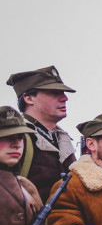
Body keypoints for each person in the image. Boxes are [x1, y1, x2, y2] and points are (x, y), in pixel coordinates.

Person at [6, 65, 77, 195]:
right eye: (54, 93)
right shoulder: (15, 136)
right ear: (29, 98)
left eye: (63, 93)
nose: (64, 98)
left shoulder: (63, 139)